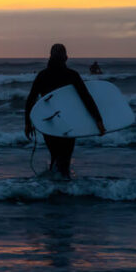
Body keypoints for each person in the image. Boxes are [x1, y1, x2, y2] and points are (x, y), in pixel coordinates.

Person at [25, 44, 106, 179]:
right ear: (66, 58)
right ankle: (64, 187)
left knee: (55, 155)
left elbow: (31, 99)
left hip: (49, 122)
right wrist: (98, 120)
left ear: (50, 57)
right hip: (68, 121)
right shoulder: (72, 75)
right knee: (65, 158)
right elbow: (86, 98)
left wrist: (28, 122)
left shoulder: (42, 75)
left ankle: (51, 187)